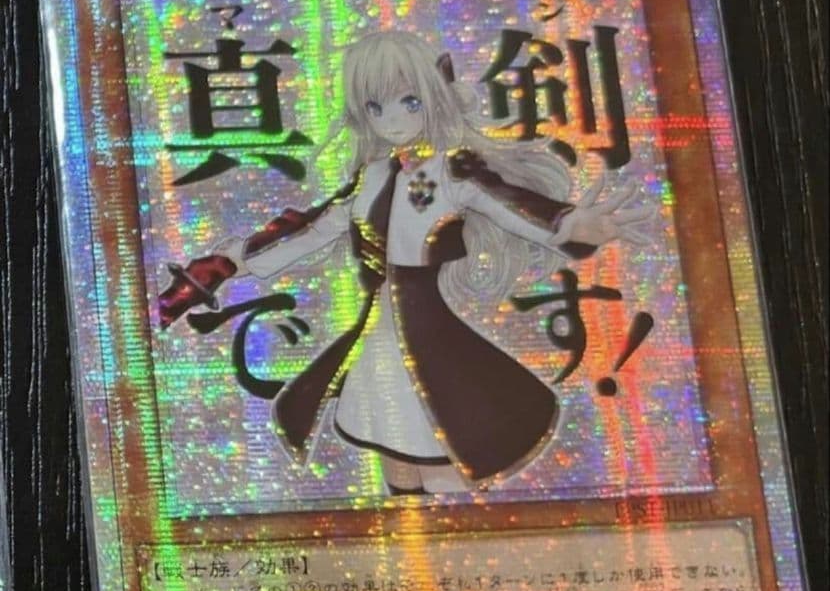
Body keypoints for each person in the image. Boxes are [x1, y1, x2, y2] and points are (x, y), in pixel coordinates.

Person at [169, 30, 652, 495]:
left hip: (429, 327)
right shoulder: (373, 175)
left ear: (433, 96)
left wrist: (571, 224)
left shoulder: (452, 171)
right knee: (389, 436)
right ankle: (409, 526)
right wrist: (231, 262)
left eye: (409, 102)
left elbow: (512, 205)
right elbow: (312, 229)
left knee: (442, 438)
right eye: (376, 108)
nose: (393, 121)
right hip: (381, 325)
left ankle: (447, 532)